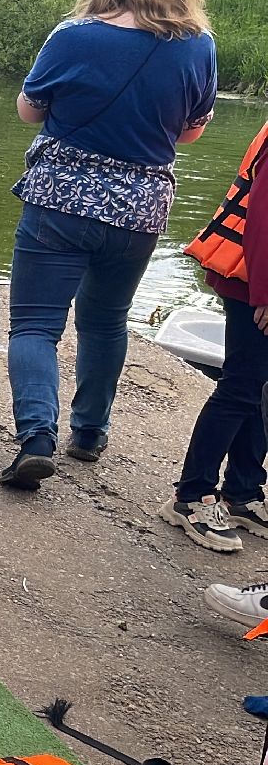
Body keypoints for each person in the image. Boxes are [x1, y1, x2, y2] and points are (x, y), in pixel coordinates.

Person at [2, 0, 219, 488]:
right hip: (140, 213)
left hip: (59, 201)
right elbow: (192, 131)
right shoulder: (199, 44)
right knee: (105, 320)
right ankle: (90, 433)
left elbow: (29, 111)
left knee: (34, 324)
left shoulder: (74, 36)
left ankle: (36, 437)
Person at [164, 120, 268, 555]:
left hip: (257, 282)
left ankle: (243, 490)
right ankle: (192, 496)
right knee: (242, 387)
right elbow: (263, 216)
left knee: (258, 386)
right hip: (254, 284)